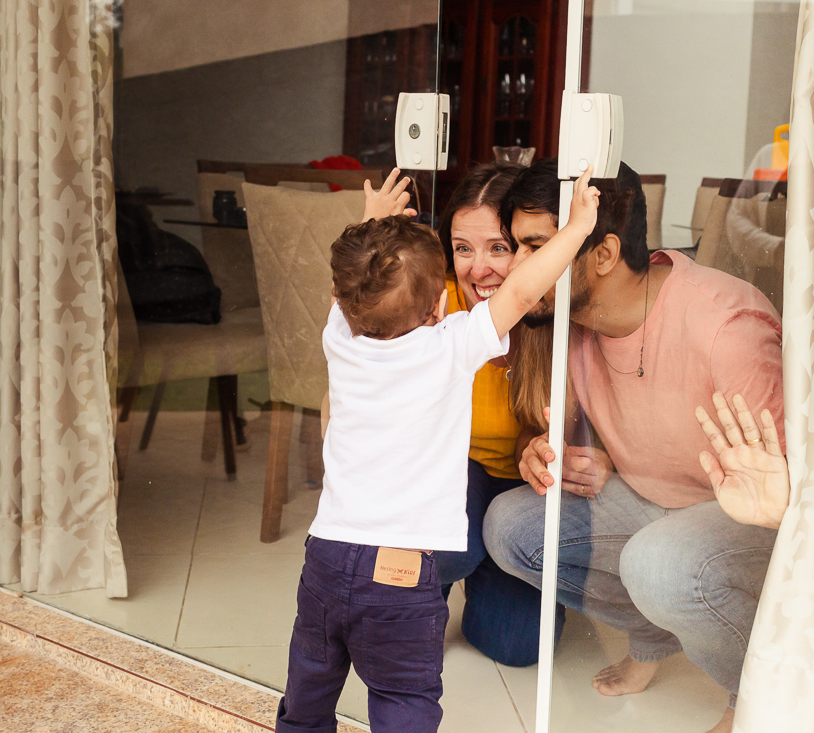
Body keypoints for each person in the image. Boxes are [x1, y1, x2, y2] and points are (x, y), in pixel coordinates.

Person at [275, 169, 600, 733]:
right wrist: (576, 229)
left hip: (325, 557)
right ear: (438, 305)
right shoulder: (450, 346)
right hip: (399, 574)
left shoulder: (341, 339)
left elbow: (345, 286)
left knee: (309, 681)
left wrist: (371, 221)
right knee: (404, 697)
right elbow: (523, 291)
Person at [483, 159, 784, 733]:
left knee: (659, 566)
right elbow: (560, 425)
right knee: (511, 527)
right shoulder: (567, 322)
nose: (517, 268)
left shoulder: (727, 326)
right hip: (650, 501)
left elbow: (792, 496)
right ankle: (656, 631)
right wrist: (543, 452)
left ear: (602, 253)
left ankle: (759, 694)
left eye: (536, 247)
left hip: (742, 516)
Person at [432, 163, 563, 666]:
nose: (478, 269)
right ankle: (460, 561)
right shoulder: (434, 305)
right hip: (457, 472)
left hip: (523, 490)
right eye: (463, 248)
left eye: (499, 249)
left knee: (515, 646)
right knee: (451, 549)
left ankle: (494, 564)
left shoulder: (555, 312)